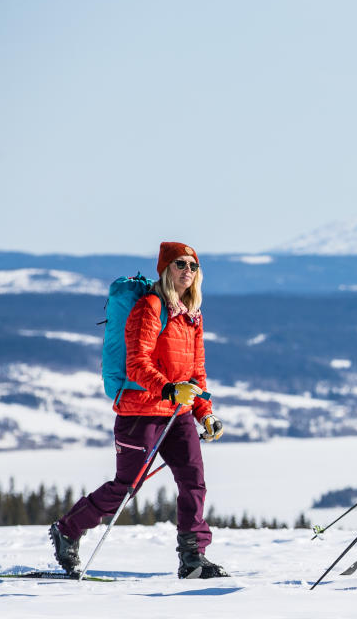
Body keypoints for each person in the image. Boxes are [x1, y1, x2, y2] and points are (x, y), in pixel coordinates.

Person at [48, 241, 229, 579]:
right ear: (165, 269)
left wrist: (206, 412)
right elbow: (136, 363)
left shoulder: (192, 315)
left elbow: (196, 372)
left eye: (192, 265)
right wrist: (169, 388)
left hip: (177, 413)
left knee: (194, 480)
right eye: (179, 264)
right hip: (140, 410)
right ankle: (68, 529)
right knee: (127, 486)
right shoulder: (150, 306)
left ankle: (192, 557)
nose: (187, 271)